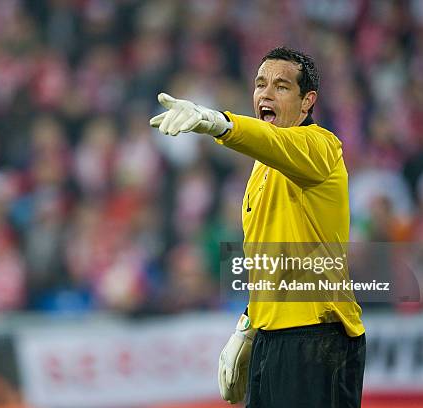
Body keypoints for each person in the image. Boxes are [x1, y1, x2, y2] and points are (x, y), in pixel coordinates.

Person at [150, 47, 365, 407]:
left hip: (318, 336)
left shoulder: (323, 147)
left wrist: (217, 122)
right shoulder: (261, 166)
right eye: (260, 84)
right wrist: (249, 324)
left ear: (306, 101)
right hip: (271, 335)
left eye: (281, 86)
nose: (266, 93)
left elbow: (273, 141)